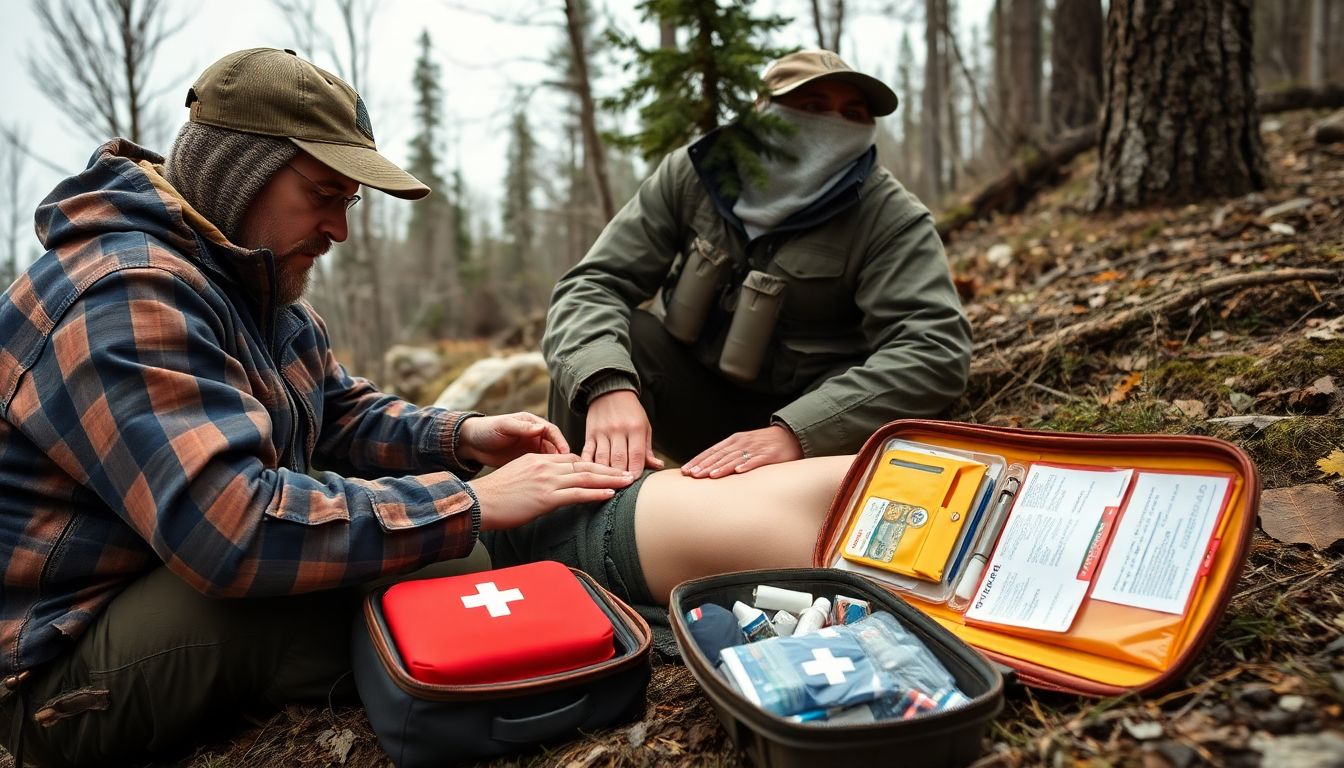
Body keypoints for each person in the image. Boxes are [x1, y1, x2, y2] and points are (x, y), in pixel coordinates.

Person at [0, 48, 636, 768]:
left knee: (447, 564)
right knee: (440, 580)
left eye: (349, 201)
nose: (340, 228)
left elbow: (339, 414)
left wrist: (466, 437)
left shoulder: (252, 288)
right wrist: (470, 503)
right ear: (238, 175)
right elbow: (230, 527)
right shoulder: (121, 294)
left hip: (151, 586)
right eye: (324, 193)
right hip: (49, 668)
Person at [542, 49, 972, 480]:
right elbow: (593, 284)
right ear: (762, 111)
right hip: (697, 397)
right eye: (813, 106)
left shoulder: (888, 215)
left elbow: (934, 347)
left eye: (852, 112)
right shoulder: (696, 173)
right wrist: (607, 385)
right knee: (610, 349)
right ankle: (574, 524)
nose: (833, 123)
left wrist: (798, 431)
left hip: (813, 432)